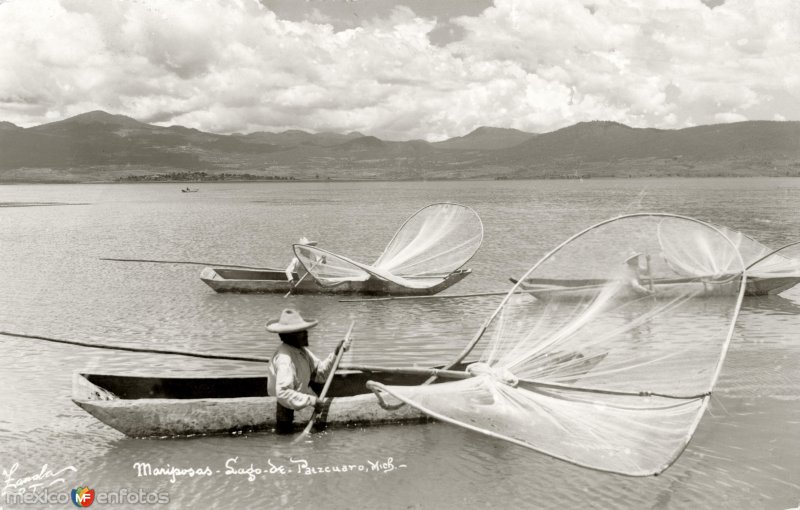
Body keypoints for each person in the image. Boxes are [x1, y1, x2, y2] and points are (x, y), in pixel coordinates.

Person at [265, 308, 345, 433]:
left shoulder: (302, 351)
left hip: (299, 402)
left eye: (304, 330)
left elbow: (320, 374)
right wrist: (312, 400)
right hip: (286, 410)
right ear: (289, 335)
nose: (306, 333)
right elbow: (282, 394)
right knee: (285, 438)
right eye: (301, 331)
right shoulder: (284, 358)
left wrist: (336, 353)